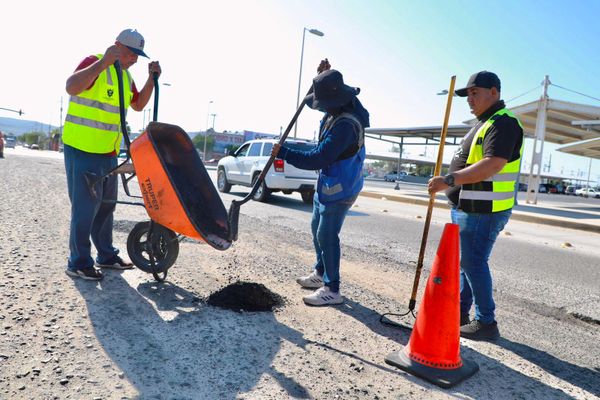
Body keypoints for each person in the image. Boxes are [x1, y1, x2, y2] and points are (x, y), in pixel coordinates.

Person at [428, 71, 523, 340]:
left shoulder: (504, 122)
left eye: (475, 92)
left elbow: (493, 164)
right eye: (467, 94)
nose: (470, 99)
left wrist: (449, 179)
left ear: (494, 92)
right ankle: (460, 313)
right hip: (470, 207)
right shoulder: (484, 122)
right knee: (467, 263)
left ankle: (486, 322)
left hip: (484, 210)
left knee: (473, 262)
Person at [63, 29, 162, 280]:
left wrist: (152, 78)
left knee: (106, 207)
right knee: (85, 209)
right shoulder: (94, 62)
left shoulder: (125, 77)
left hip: (108, 153)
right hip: (83, 149)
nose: (135, 60)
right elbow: (71, 86)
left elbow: (138, 105)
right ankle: (78, 262)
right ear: (117, 46)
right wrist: (103, 62)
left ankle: (106, 256)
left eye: (138, 55)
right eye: (131, 53)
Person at [272, 59, 370, 306]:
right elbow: (312, 99)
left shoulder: (346, 125)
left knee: (327, 235)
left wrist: (284, 152)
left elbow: (318, 158)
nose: (320, 107)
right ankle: (319, 273)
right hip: (327, 184)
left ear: (335, 100)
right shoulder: (337, 110)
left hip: (342, 187)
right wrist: (320, 77)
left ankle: (332, 289)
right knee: (316, 229)